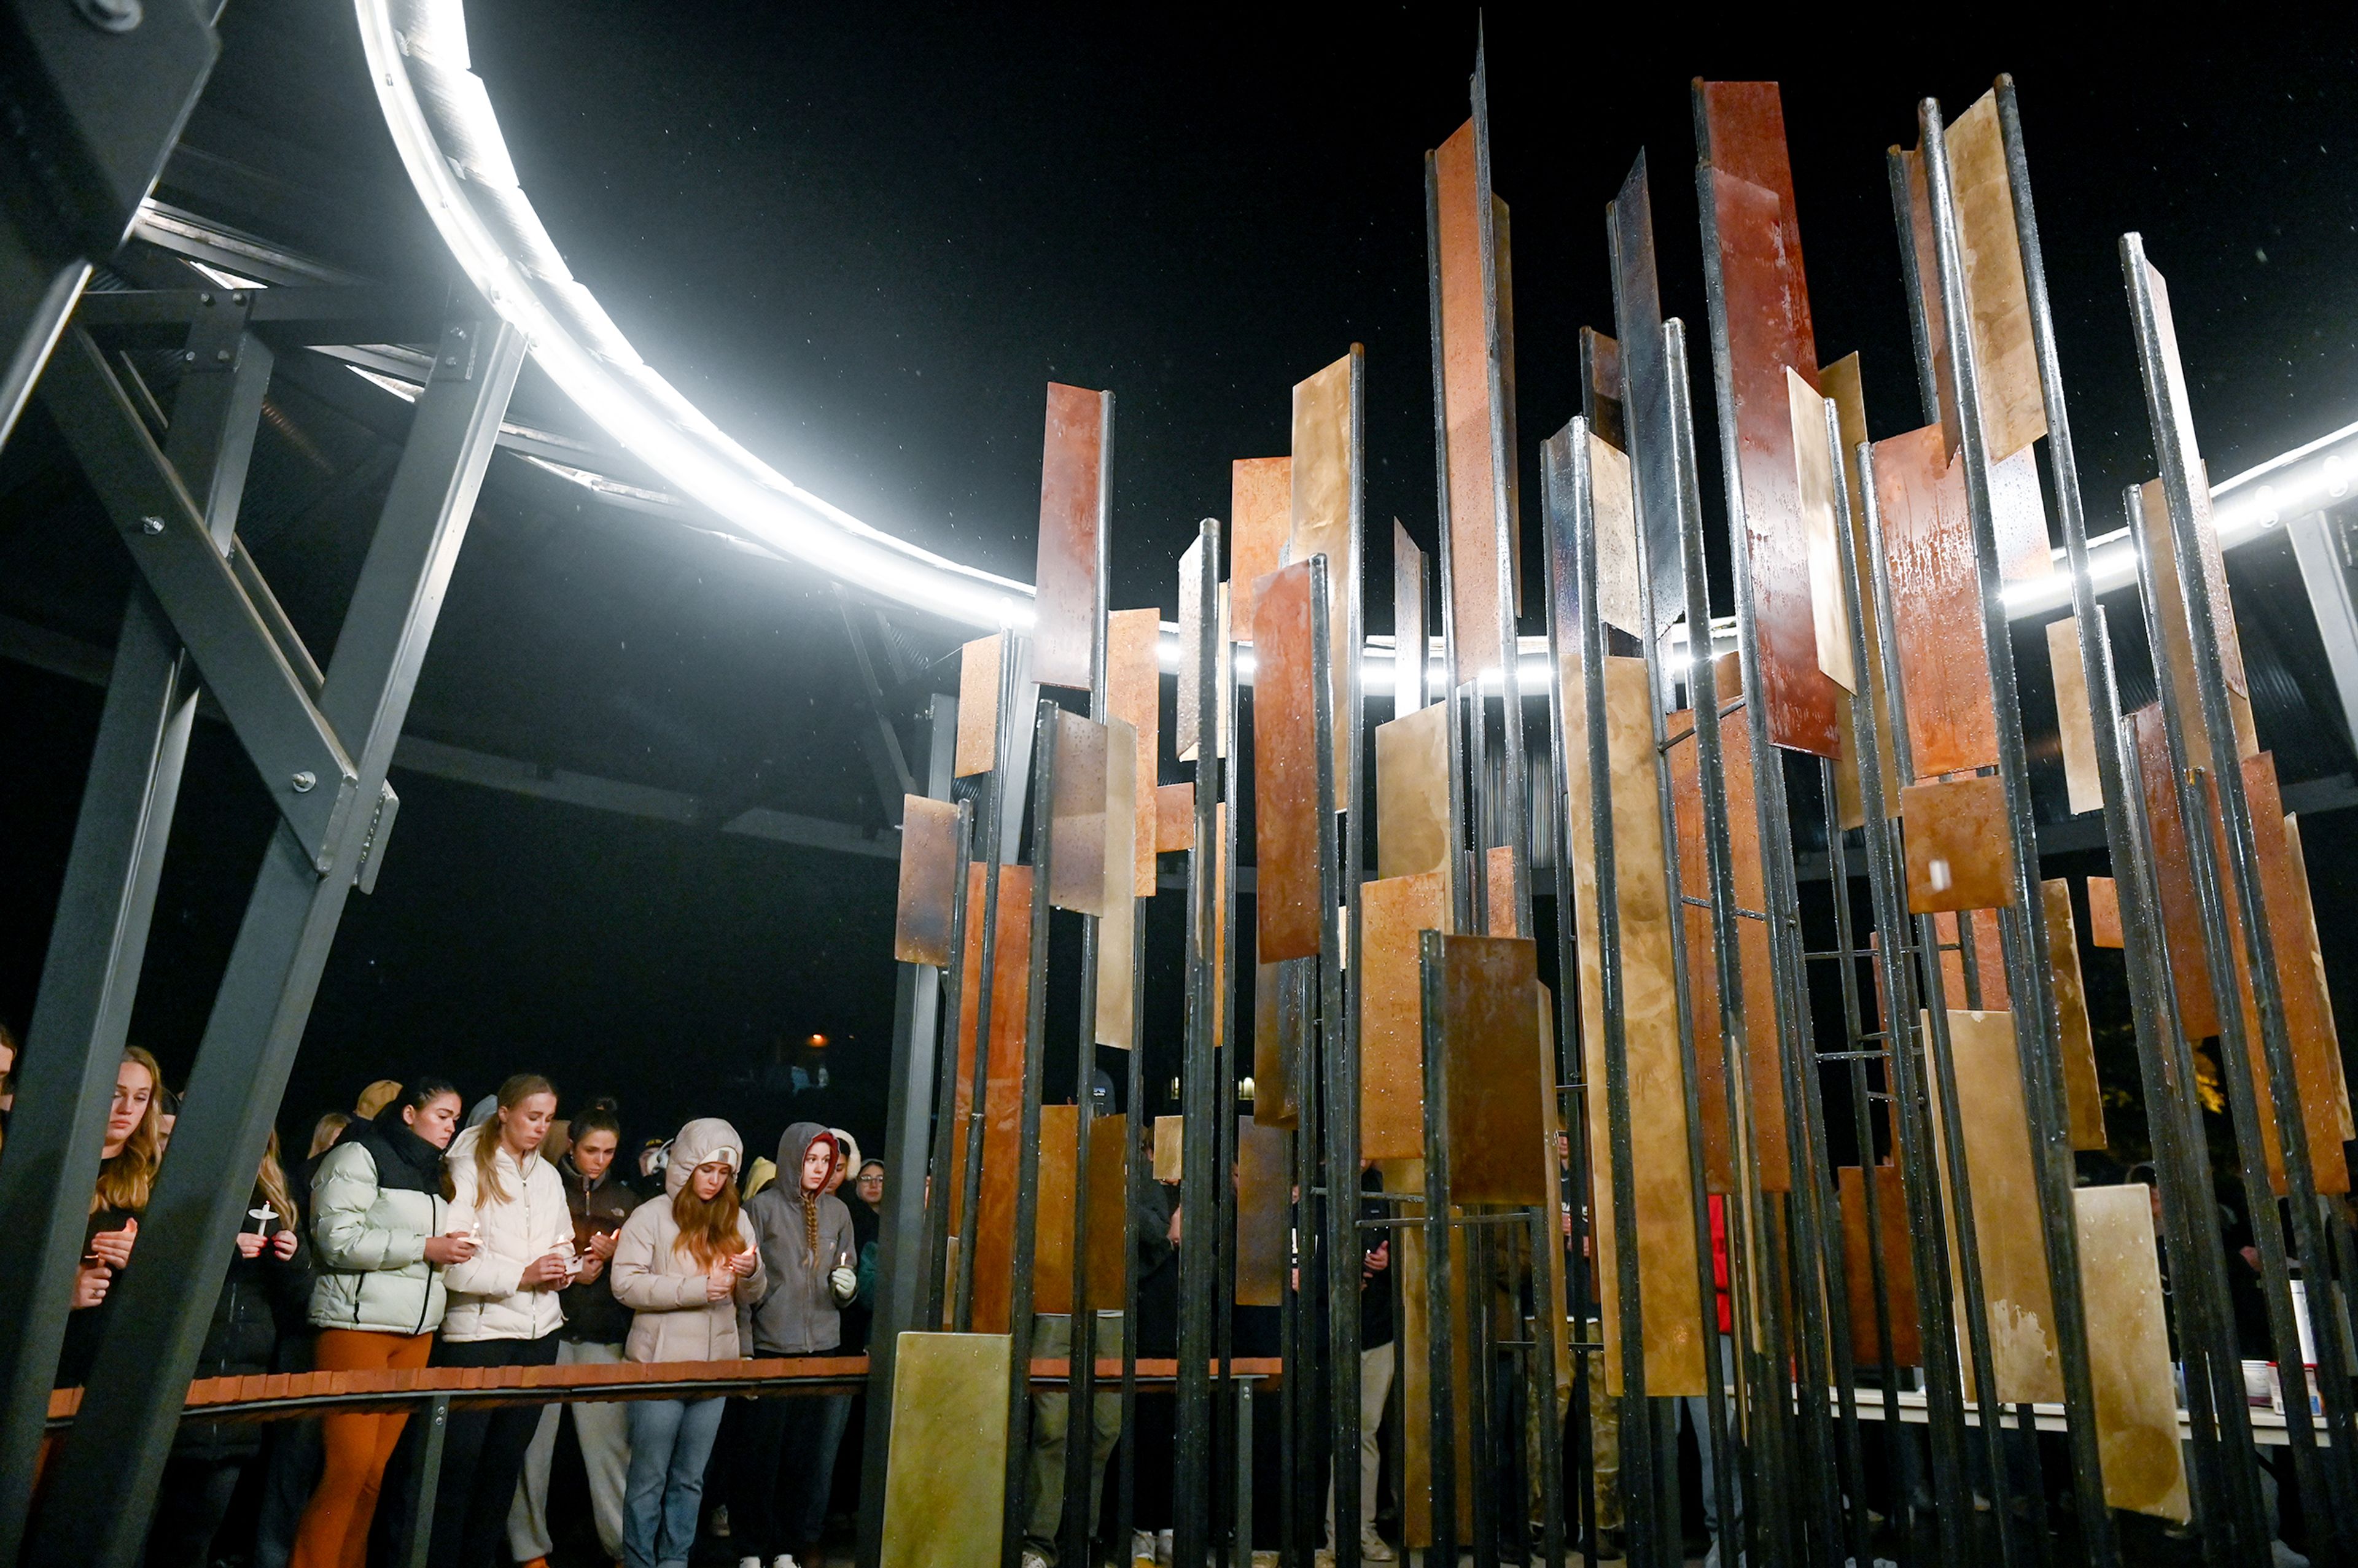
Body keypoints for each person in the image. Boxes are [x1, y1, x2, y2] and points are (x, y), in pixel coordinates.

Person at [294, 1077, 475, 1568]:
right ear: (410, 1113)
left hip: (414, 1334)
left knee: (375, 1472)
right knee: (347, 1468)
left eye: (456, 1118)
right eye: (443, 1115)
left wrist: (445, 1247)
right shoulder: (358, 1155)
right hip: (356, 1329)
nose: (451, 1126)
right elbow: (336, 1240)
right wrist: (424, 1247)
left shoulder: (435, 1172)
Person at [427, 1073, 572, 1568]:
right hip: (479, 1336)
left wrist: (567, 1270)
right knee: (459, 1467)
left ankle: (481, 1559)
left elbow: (562, 1243)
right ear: (505, 1112)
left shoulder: (549, 1176)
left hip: (539, 1336)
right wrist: (522, 1275)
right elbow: (452, 1263)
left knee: (504, 1467)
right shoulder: (467, 1166)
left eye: (549, 1120)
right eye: (533, 1117)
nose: (541, 1128)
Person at [148, 1130, 311, 1567]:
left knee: (198, 1533)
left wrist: (293, 1259)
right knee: (143, 1525)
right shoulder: (177, 1186)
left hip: (240, 1382)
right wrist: (221, 1251)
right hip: (179, 1375)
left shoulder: (274, 1199)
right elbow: (157, 1277)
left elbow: (298, 1304)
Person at [610, 1118, 763, 1568]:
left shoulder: (736, 1218)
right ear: (685, 1167)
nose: (715, 1182)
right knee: (648, 1478)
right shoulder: (651, 1216)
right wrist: (696, 1289)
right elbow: (625, 1285)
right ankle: (640, 1562)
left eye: (724, 1174)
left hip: (715, 1368)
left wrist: (751, 1272)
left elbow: (755, 1292)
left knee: (691, 1480)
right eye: (707, 1171)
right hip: (659, 1368)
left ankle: (675, 1561)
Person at [509, 1100, 642, 1568]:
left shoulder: (626, 1199)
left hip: (602, 1337)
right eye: (591, 1150)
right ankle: (529, 1552)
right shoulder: (546, 1187)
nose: (600, 1160)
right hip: (549, 1330)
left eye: (608, 1152)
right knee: (532, 1452)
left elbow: (640, 1273)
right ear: (571, 1146)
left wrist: (613, 1261)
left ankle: (623, 1548)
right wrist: (574, 1269)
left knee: (611, 1454)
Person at [731, 1124, 858, 1568]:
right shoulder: (759, 1209)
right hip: (771, 1346)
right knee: (759, 1456)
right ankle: (750, 1548)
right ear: (792, 1159)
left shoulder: (839, 1213)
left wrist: (847, 1289)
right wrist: (745, 1349)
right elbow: (743, 1287)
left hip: (822, 1346)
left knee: (803, 1457)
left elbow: (848, 1272)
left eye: (826, 1161)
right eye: (811, 1159)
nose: (819, 1168)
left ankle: (786, 1547)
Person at [58, 1047, 163, 1388]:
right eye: (116, 1095)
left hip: (116, 1366)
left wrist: (142, 1259)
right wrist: (61, 1295)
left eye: (140, 1097)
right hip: (47, 1359)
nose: (127, 1109)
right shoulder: (57, 1168)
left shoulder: (156, 1177)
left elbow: (177, 1279)